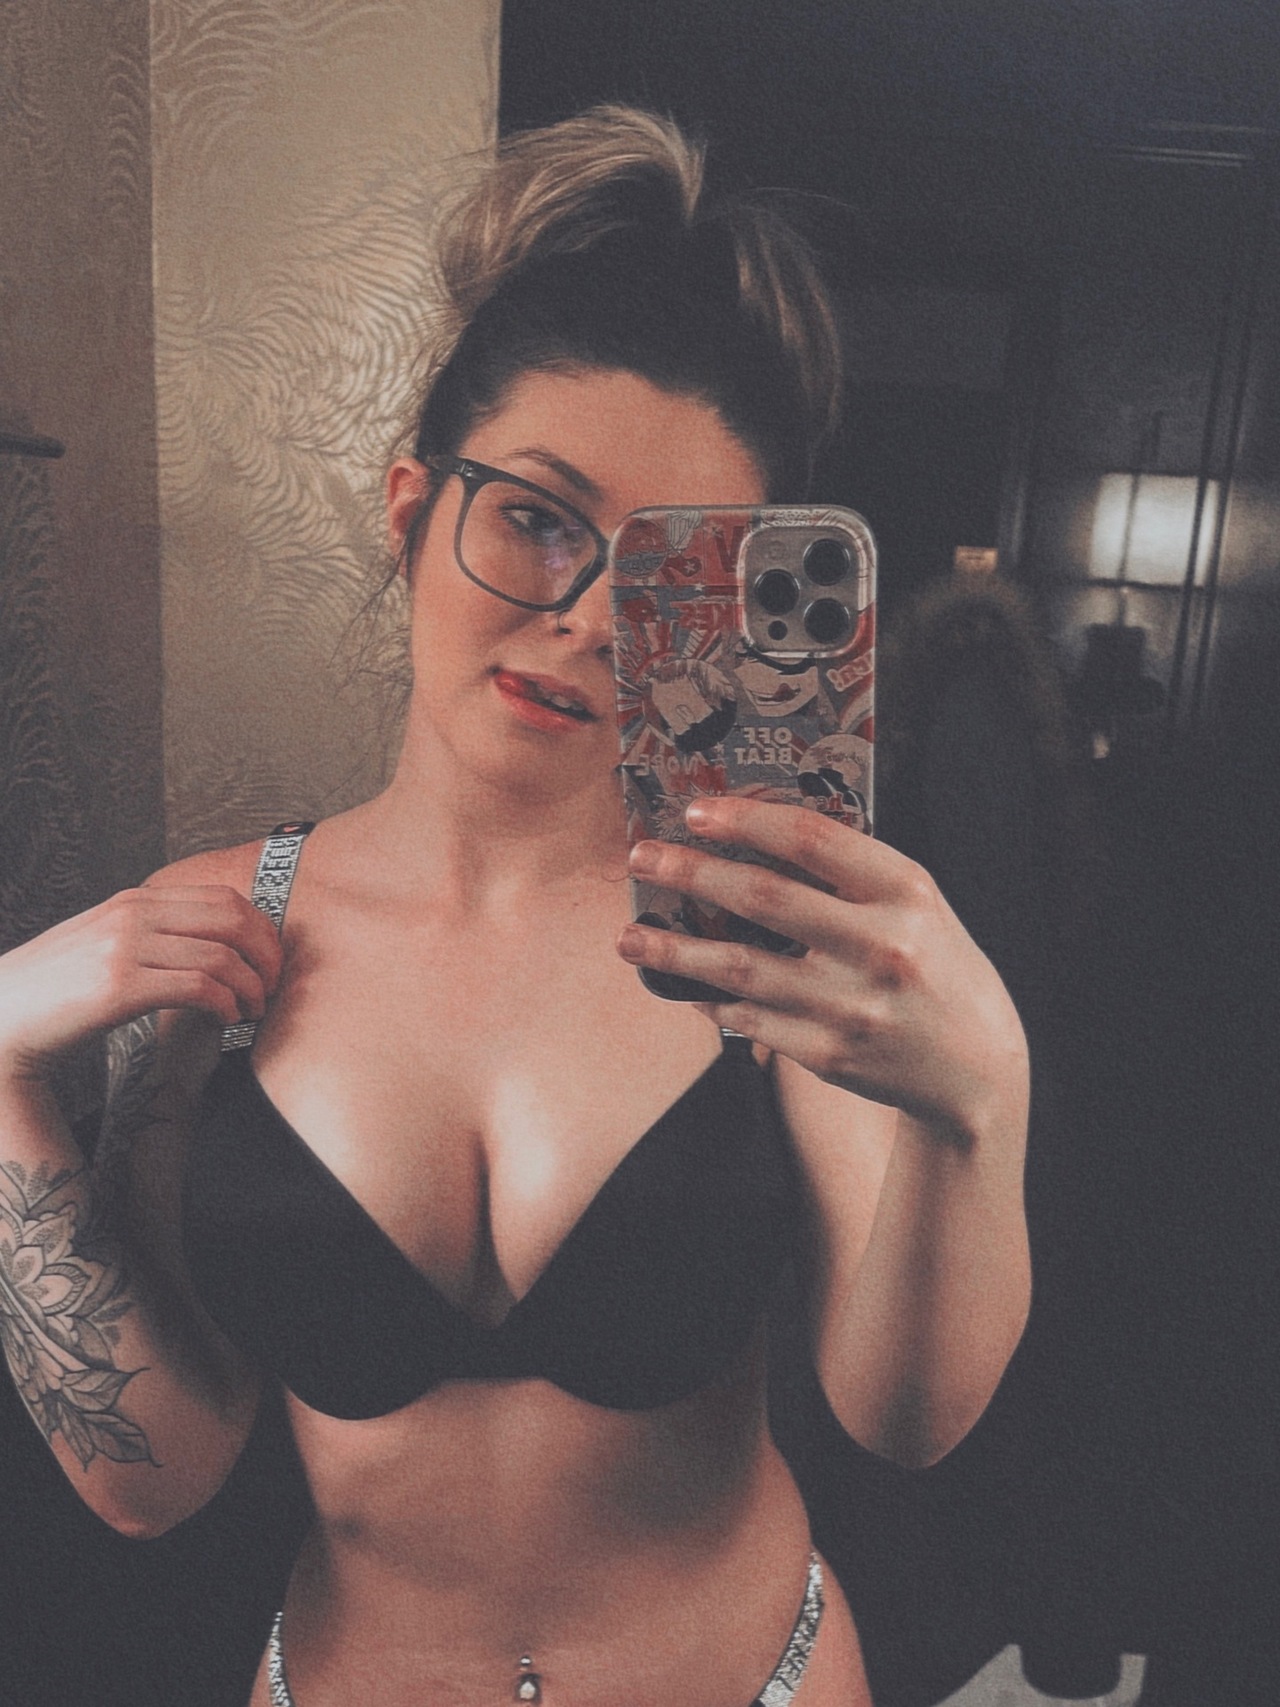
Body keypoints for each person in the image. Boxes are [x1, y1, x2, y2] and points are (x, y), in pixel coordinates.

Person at [0, 108, 1031, 1706]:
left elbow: (906, 1423)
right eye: (539, 519)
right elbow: (151, 1475)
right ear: (412, 509)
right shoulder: (206, 939)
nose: (591, 620)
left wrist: (978, 1109)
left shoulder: (764, 933)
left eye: (672, 574)